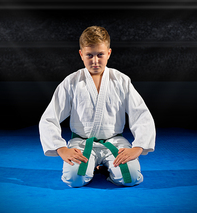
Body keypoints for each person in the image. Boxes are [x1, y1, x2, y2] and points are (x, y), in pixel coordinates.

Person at [39, 26, 156, 187]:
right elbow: (48, 118)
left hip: (115, 143)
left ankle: (105, 169)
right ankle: (94, 166)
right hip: (82, 144)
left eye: (100, 54)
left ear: (108, 53)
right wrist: (61, 148)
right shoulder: (71, 82)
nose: (95, 61)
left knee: (131, 177)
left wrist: (138, 146)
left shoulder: (121, 80)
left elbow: (141, 114)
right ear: (81, 55)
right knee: (74, 179)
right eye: (89, 55)